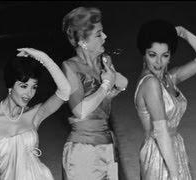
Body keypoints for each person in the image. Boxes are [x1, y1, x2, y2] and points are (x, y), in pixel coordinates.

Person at [0, 48, 71, 180]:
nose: (29, 93)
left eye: (34, 87)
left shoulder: (33, 114)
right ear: (10, 85)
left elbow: (65, 91)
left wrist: (43, 58)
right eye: (23, 86)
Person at [134, 19, 196, 180]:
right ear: (144, 54)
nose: (158, 62)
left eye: (164, 55)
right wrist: (175, 174)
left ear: (170, 56)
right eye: (152, 55)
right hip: (159, 154)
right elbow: (161, 132)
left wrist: (183, 32)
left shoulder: (169, 78)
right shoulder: (150, 84)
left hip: (174, 148)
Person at [61, 7, 128, 180]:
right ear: (83, 41)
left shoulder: (104, 60)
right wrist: (106, 85)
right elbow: (80, 111)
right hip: (83, 150)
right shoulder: (70, 67)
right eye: (99, 34)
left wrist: (114, 86)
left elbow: (118, 86)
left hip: (107, 145)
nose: (105, 37)